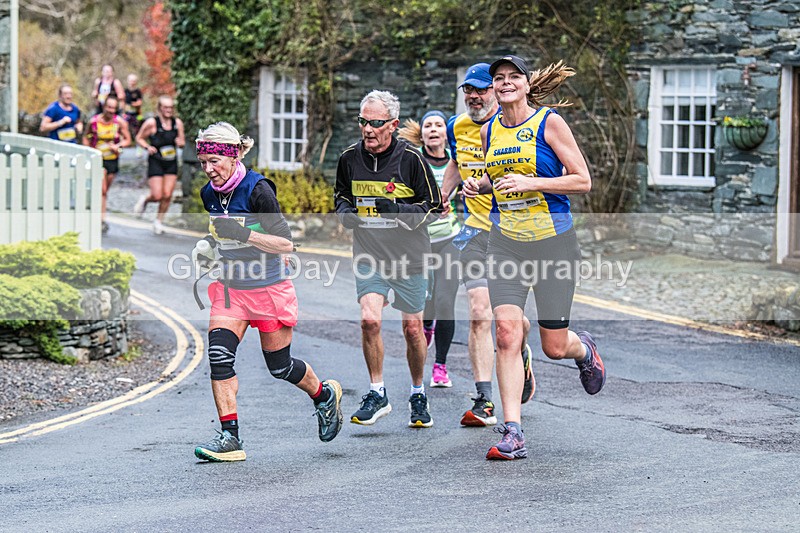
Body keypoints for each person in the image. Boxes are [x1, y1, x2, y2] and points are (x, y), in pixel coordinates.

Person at [464, 55, 607, 460]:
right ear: (493, 88)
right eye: (499, 78)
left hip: (552, 244)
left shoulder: (549, 123)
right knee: (506, 333)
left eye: (513, 77)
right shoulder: (490, 129)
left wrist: (532, 182)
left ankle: (585, 350)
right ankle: (513, 431)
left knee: (554, 347)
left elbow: (582, 180)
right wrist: (481, 185)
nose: (505, 83)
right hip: (505, 242)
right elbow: (498, 178)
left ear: (526, 85)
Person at [192, 121, 343, 462]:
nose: (208, 169)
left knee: (280, 367)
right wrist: (207, 247)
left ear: (233, 157)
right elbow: (221, 235)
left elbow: (286, 243)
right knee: (219, 357)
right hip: (231, 290)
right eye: (203, 162)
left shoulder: (258, 190)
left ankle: (323, 396)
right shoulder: (208, 194)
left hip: (269, 288)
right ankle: (230, 438)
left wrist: (243, 235)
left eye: (214, 161)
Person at [334, 90, 442, 428]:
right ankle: (377, 392)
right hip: (369, 254)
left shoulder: (411, 158)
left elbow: (433, 207)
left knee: (412, 330)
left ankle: (417, 392)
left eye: (376, 123)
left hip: (409, 257)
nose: (367, 129)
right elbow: (340, 196)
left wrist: (398, 210)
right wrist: (345, 214)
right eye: (363, 121)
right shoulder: (349, 158)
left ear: (393, 125)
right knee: (370, 320)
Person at [440, 63, 534, 426]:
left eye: (481, 90)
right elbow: (455, 161)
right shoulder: (456, 126)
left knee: (510, 320)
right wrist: (445, 193)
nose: (474, 96)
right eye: (469, 90)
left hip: (510, 232)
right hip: (472, 229)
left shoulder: (510, 128)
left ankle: (519, 349)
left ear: (496, 92)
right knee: (479, 310)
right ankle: (484, 399)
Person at [398, 110, 460, 388]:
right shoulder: (412, 161)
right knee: (427, 305)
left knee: (446, 303)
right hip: (418, 242)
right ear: (421, 133)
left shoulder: (458, 163)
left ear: (446, 133)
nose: (433, 129)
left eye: (438, 125)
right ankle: (426, 329)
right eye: (428, 126)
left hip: (449, 240)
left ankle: (440, 365)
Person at [133, 96, 186, 234]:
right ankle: (145, 199)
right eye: (166, 107)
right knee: (157, 195)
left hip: (171, 161)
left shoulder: (177, 123)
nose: (169, 110)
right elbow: (139, 138)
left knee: (167, 194)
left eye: (171, 108)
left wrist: (179, 142)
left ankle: (158, 222)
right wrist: (147, 147)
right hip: (156, 160)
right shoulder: (152, 123)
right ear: (160, 108)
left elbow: (182, 142)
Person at [83, 96, 131, 234]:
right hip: (98, 160)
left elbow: (128, 140)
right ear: (104, 107)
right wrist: (89, 151)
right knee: (102, 190)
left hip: (112, 160)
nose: (111, 110)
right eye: (108, 107)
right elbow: (86, 137)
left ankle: (97, 211)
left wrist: (118, 146)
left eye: (113, 108)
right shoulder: (93, 121)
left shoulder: (119, 122)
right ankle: (101, 220)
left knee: (105, 191)